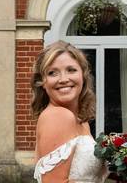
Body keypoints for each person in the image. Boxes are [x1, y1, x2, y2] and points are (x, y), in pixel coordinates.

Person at [31, 41, 108, 183]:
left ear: (83, 76)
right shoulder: (58, 117)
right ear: (43, 82)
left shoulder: (81, 121)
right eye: (52, 73)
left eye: (71, 70)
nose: (63, 79)